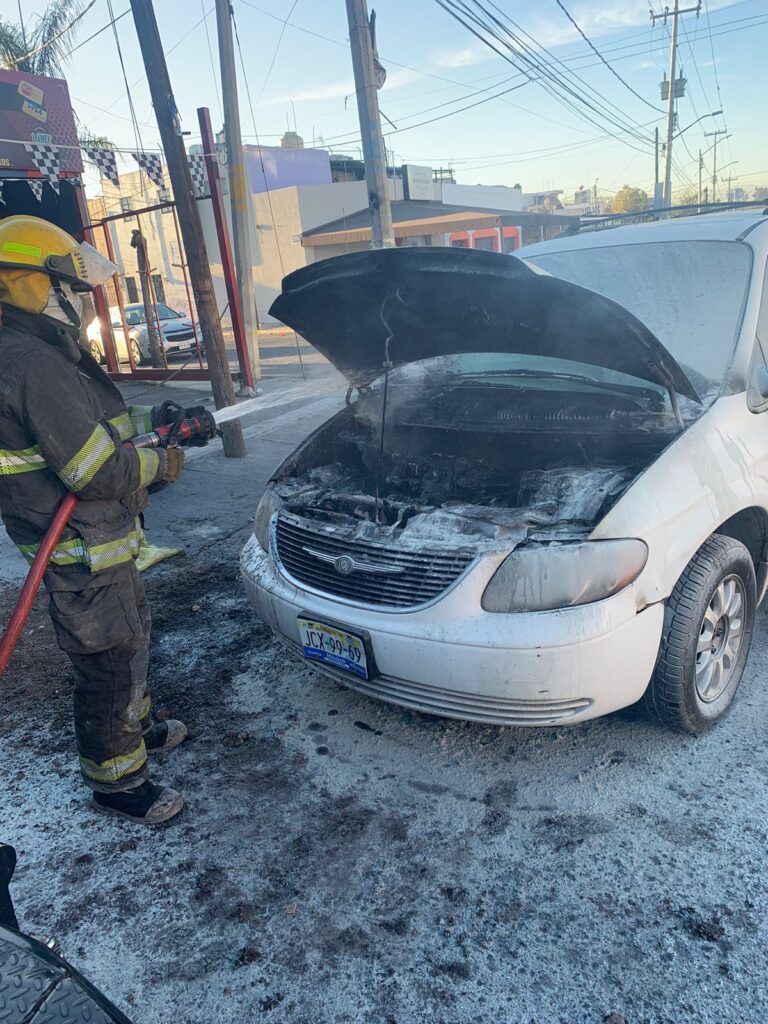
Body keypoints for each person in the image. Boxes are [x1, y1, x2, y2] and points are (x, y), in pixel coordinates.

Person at [0, 215, 193, 824]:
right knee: (107, 660)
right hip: (78, 549)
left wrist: (157, 422)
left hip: (102, 542)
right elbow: (96, 471)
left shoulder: (43, 352)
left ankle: (137, 728)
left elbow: (98, 434)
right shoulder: (29, 361)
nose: (81, 301)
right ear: (34, 286)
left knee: (130, 634)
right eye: (72, 288)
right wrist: (163, 462)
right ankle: (118, 783)